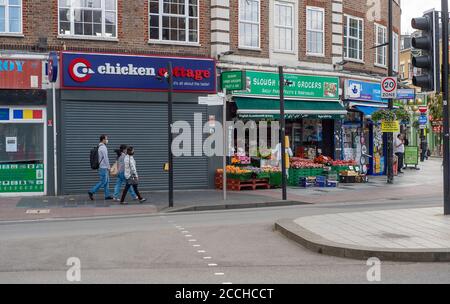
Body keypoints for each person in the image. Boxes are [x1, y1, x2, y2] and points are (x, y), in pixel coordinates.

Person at [89, 135, 113, 200]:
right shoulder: (103, 147)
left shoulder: (100, 146)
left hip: (102, 167)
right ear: (103, 140)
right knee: (103, 182)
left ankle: (107, 195)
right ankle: (91, 191)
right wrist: (109, 167)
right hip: (103, 167)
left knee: (107, 181)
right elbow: (106, 158)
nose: (107, 140)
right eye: (106, 139)